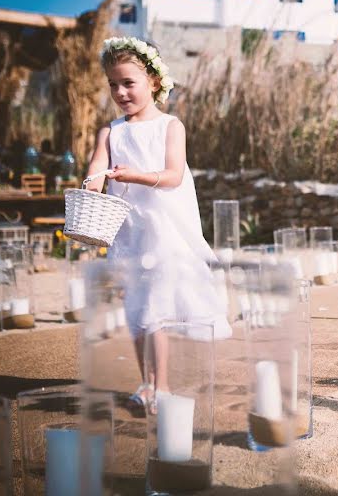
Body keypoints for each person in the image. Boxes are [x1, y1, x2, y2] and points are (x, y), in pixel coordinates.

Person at [86, 36, 230, 408]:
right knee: (135, 306)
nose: (120, 92)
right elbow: (97, 169)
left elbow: (173, 176)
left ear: (152, 80)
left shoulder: (170, 126)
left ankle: (161, 385)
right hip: (127, 231)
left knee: (155, 308)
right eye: (113, 84)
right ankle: (145, 382)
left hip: (162, 230)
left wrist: (134, 176)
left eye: (128, 83)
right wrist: (91, 187)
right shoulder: (110, 131)